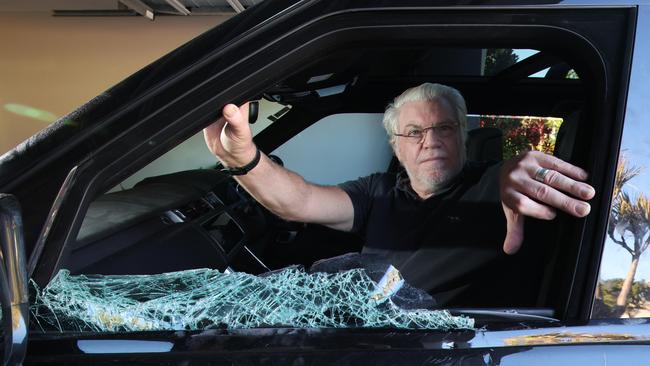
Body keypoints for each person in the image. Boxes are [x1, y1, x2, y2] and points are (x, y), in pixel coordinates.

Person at [204, 83, 595, 306]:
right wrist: (241, 158)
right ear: (396, 146)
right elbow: (299, 201)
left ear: (462, 134)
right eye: (414, 132)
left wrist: (523, 171)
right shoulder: (377, 191)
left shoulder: (494, 185)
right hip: (364, 329)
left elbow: (518, 174)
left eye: (445, 128)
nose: (431, 142)